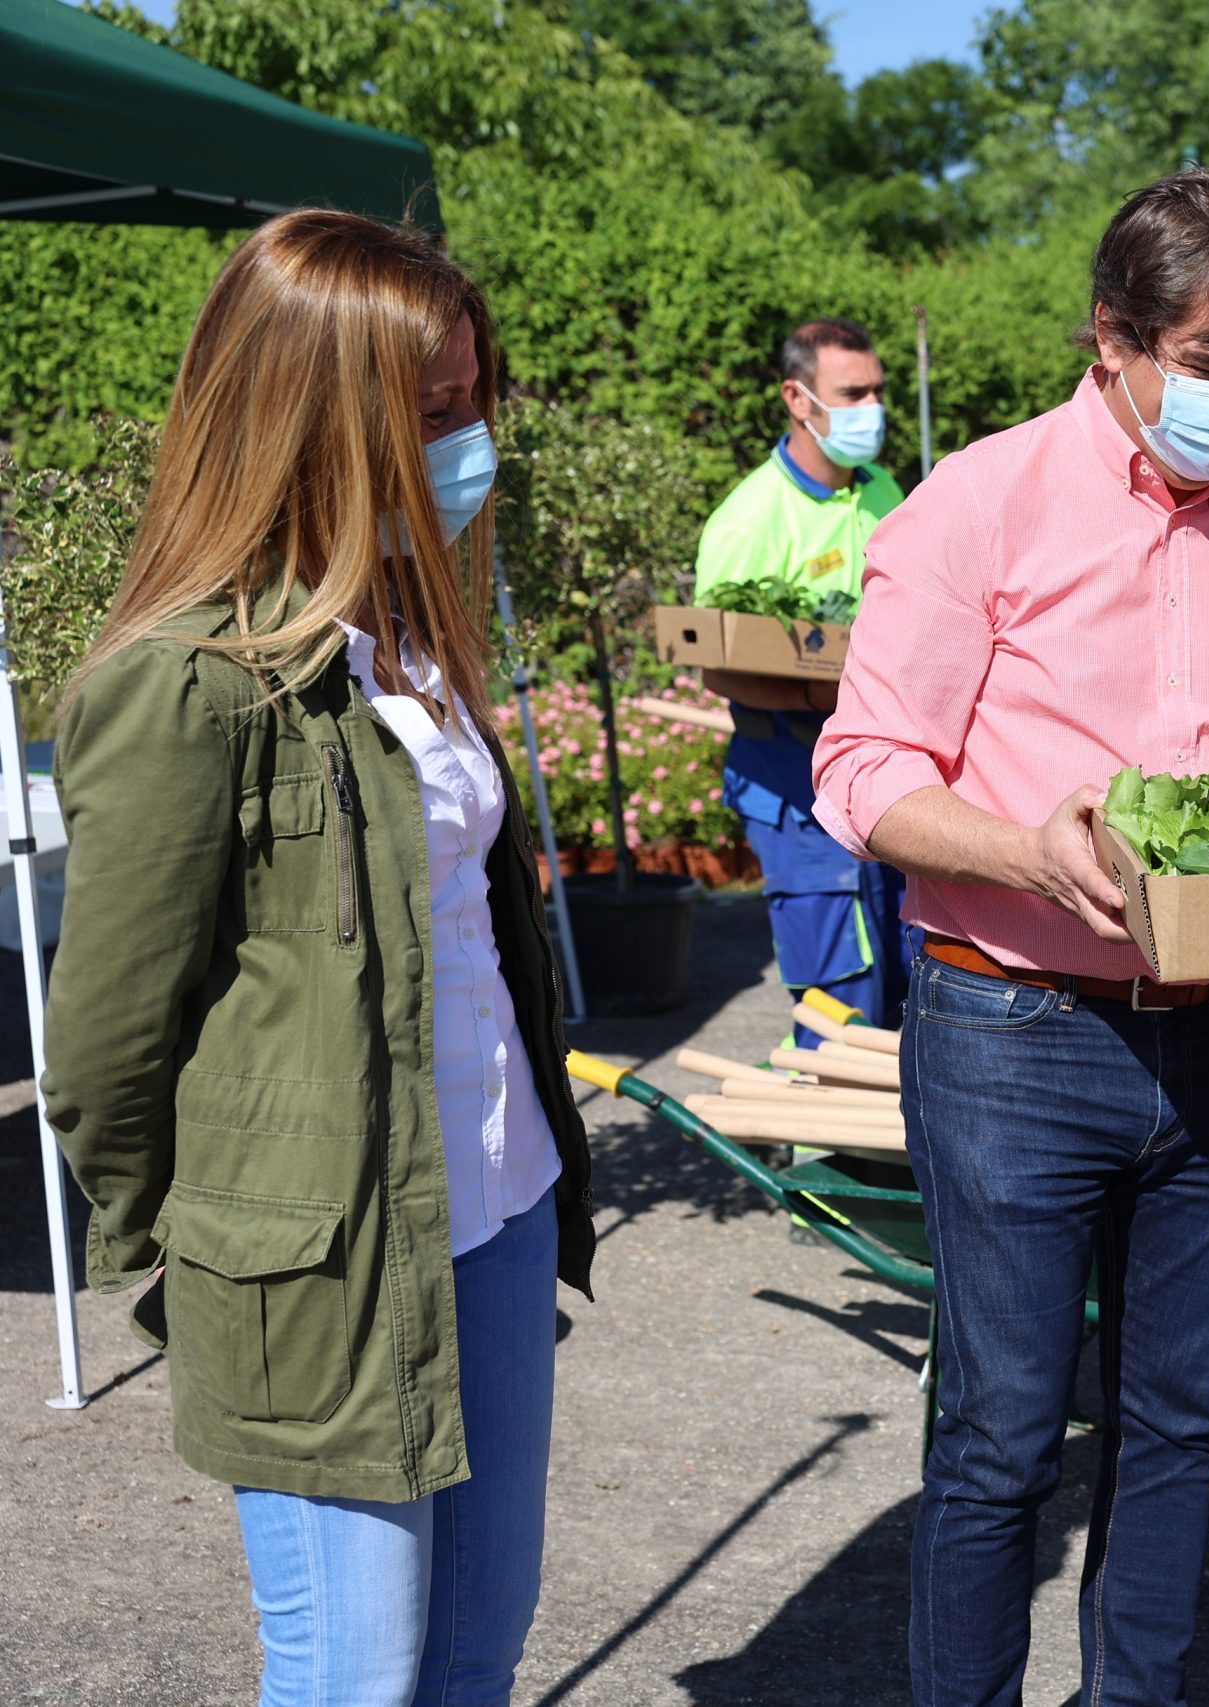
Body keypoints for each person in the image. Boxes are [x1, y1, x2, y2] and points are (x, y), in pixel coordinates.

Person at [811, 167, 1209, 1707]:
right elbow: (860, 772)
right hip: (1010, 1028)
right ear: (1115, 340)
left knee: (1177, 1420)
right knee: (999, 1430)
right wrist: (1025, 847)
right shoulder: (979, 505)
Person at [40, 210, 591, 1705]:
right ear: (309, 418)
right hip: (317, 1257)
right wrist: (219, 1250)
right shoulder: (186, 681)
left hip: (499, 1196)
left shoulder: (411, 628)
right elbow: (103, 1048)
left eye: (474, 400)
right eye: (424, 415)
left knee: (477, 1650)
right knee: (357, 1672)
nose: (463, 442)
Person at [694, 317, 913, 1035]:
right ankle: (822, 1146)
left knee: (912, 962)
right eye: (853, 393)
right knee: (840, 989)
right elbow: (718, 664)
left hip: (890, 766)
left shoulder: (886, 491)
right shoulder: (750, 519)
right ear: (798, 398)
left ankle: (901, 1145)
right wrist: (815, 693)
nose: (872, 409)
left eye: (878, 391)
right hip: (794, 773)